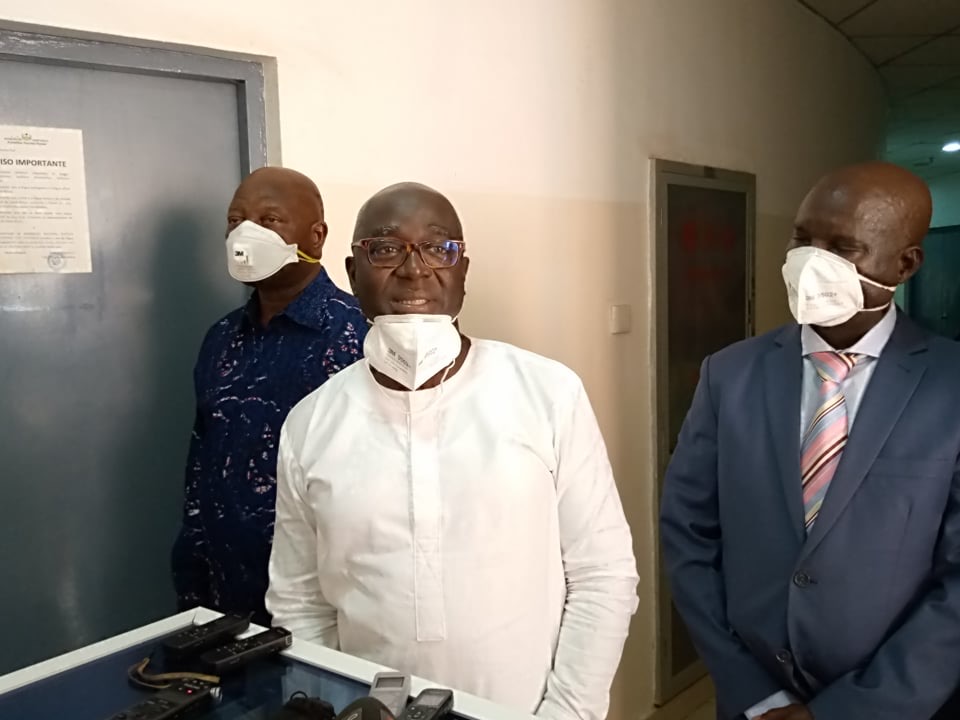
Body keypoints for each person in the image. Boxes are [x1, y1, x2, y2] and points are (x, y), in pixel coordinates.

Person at [265, 182, 638, 720]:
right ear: (352, 272)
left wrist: (568, 711)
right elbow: (299, 601)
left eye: (438, 249)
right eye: (385, 249)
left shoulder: (548, 393)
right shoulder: (311, 424)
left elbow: (603, 573)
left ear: (463, 269)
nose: (414, 269)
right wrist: (339, 703)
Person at [660, 161, 960, 720]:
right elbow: (689, 533)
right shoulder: (730, 374)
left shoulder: (950, 385)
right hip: (754, 701)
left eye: (844, 248)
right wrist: (754, 693)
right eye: (802, 239)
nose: (810, 263)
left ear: (905, 264)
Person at [172, 167, 366, 624]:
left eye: (269, 220)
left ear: (316, 236)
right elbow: (201, 466)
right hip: (223, 597)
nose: (245, 232)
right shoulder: (221, 339)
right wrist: (191, 577)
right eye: (235, 219)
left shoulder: (360, 336)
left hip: (323, 604)